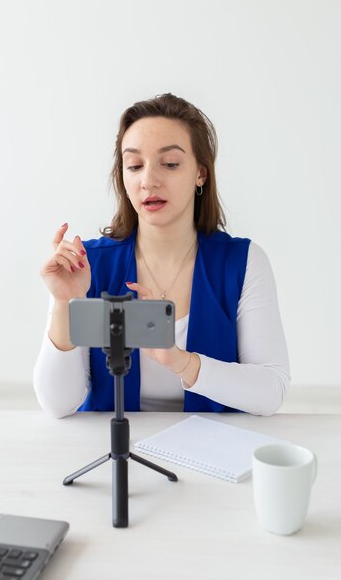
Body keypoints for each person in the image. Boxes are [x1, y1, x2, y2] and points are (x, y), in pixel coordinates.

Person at [33, 93, 290, 418]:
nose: (149, 181)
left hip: (210, 453)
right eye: (135, 165)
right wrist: (64, 303)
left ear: (201, 173)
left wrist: (182, 362)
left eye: (169, 164)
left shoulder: (244, 262)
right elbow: (58, 405)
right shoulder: (87, 264)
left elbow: (270, 391)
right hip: (113, 454)